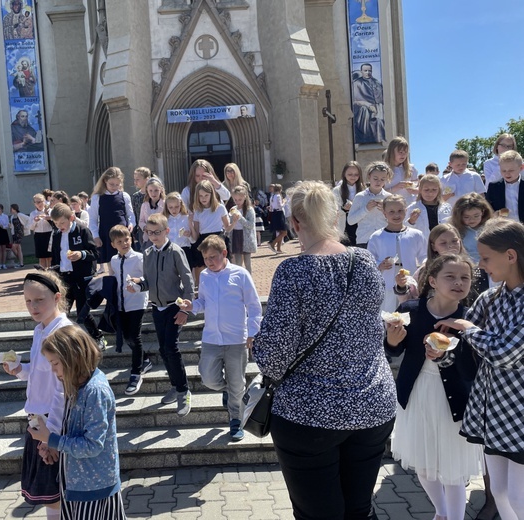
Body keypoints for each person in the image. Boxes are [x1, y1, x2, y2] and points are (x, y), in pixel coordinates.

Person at [252, 181, 396, 519]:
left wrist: (258, 344)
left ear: (296, 222)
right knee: (358, 509)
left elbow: (274, 358)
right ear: (332, 216)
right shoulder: (363, 261)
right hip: (371, 405)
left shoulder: (293, 271)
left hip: (309, 413)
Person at [435, 219, 524, 520]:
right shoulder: (490, 298)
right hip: (495, 413)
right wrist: (439, 352)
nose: (481, 265)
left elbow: (504, 353)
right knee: (499, 492)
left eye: (486, 258)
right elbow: (459, 345)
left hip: (520, 415)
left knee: (519, 497)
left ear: (510, 256)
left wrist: (469, 330)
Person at [386, 254, 482, 520]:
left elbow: (473, 367)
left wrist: (449, 352)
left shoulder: (471, 318)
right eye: (450, 276)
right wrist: (392, 341)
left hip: (455, 399)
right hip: (416, 394)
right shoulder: (411, 311)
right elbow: (394, 352)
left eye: (465, 277)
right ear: (432, 280)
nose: (458, 282)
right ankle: (441, 512)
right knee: (425, 466)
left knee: (453, 470)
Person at [28, 325, 126, 519]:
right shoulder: (77, 384)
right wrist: (52, 446)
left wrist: (53, 439)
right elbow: (74, 430)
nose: (52, 370)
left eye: (55, 363)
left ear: (73, 358)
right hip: (78, 484)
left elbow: (92, 445)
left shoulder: (95, 391)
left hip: (93, 489)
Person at [3, 271, 73, 519]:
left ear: (57, 298)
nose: (33, 307)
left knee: (55, 493)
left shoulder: (63, 333)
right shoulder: (40, 329)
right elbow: (40, 372)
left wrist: (50, 434)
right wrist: (21, 369)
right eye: (27, 301)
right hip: (37, 418)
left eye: (39, 300)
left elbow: (64, 389)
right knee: (49, 494)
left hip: (51, 420)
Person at [182, 235, 262, 441]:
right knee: (207, 377)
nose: (209, 262)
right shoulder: (206, 276)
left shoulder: (241, 274)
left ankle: (236, 420)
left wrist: (253, 332)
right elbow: (203, 302)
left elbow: (254, 306)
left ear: (224, 253)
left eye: (213, 257)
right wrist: (192, 306)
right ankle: (229, 390)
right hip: (211, 338)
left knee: (237, 383)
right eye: (206, 258)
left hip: (236, 339)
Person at [128, 213, 195, 417]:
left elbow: (188, 282)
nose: (153, 236)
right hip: (157, 307)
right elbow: (148, 282)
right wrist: (137, 287)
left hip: (175, 306)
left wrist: (185, 309)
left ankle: (183, 390)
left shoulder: (175, 252)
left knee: (170, 347)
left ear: (167, 231)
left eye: (157, 232)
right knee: (163, 349)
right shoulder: (147, 253)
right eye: (149, 232)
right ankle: (175, 385)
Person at [49, 203, 105, 350]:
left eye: (62, 222)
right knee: (62, 312)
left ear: (71, 218)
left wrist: (81, 254)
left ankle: (97, 336)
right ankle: (64, 342)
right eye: (56, 223)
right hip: (64, 279)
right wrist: (53, 271)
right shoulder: (56, 235)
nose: (60, 226)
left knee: (82, 312)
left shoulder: (82, 231)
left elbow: (95, 253)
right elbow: (56, 257)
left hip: (81, 278)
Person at [108, 225, 152, 395]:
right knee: (126, 336)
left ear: (131, 239)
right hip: (121, 303)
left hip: (137, 302)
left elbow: (148, 277)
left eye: (126, 239)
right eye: (120, 241)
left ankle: (136, 372)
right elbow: (114, 278)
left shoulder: (139, 258)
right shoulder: (114, 260)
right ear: (113, 244)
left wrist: (138, 280)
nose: (124, 243)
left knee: (135, 335)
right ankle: (145, 359)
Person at [368, 195, 427, 312]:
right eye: (391, 212)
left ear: (406, 211)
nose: (396, 215)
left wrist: (424, 264)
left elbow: (424, 255)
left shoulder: (416, 234)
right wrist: (380, 264)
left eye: (400, 211)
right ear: (384, 214)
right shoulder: (377, 237)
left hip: (410, 287)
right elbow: (369, 260)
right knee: (387, 317)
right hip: (387, 286)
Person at [394, 223, 465, 304]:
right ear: (434, 246)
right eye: (443, 243)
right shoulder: (424, 271)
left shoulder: (468, 269)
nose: (450, 246)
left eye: (454, 241)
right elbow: (410, 301)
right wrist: (402, 286)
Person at [88, 167, 136, 270]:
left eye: (117, 184)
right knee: (112, 267)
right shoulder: (97, 197)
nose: (115, 187)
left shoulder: (124, 196)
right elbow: (92, 219)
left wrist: (131, 224)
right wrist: (96, 236)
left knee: (128, 264)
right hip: (107, 235)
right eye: (111, 184)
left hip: (123, 234)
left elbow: (130, 214)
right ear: (105, 181)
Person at [190, 180, 232, 283]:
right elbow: (196, 234)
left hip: (219, 238)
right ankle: (201, 290)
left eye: (206, 195)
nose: (203, 198)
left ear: (211, 194)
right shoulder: (197, 211)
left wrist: (234, 221)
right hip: (203, 240)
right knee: (201, 266)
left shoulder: (220, 208)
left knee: (222, 265)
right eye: (201, 196)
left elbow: (227, 228)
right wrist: (189, 224)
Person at [452, 193, 494, 295]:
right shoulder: (456, 230)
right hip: (467, 270)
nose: (472, 220)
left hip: (490, 269)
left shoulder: (491, 227)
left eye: (476, 216)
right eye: (466, 217)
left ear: (483, 212)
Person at [347, 161, 392, 248]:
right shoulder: (360, 197)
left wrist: (385, 211)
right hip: (364, 240)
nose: (378, 182)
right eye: (375, 178)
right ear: (369, 177)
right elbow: (351, 221)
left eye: (382, 179)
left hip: (384, 239)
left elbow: (394, 220)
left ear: (387, 180)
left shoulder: (388, 197)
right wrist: (366, 209)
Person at [405, 174, 453, 240]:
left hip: (443, 244)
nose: (430, 193)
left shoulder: (447, 208)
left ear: (439, 190)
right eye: (426, 190)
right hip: (422, 245)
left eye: (434, 190)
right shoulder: (412, 207)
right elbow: (405, 229)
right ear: (420, 190)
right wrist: (411, 221)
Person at [485, 150, 524, 223]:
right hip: (503, 228)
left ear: (521, 168)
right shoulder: (494, 187)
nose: (507, 174)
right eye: (503, 170)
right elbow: (487, 209)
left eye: (511, 170)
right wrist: (494, 214)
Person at [332, 160, 365, 246]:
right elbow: (333, 209)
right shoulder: (337, 190)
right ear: (344, 174)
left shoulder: (363, 188)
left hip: (359, 222)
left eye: (356, 174)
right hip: (344, 223)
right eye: (350, 174)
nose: (353, 177)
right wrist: (344, 208)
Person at [352, 63, 385, 144]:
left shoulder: (377, 83)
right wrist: (367, 105)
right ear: (361, 71)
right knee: (364, 110)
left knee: (379, 121)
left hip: (377, 111)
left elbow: (380, 100)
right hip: (363, 112)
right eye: (365, 71)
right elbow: (354, 101)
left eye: (369, 71)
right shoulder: (357, 84)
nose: (368, 72)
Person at [228, 186, 256, 273]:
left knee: (247, 263)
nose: (237, 202)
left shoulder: (249, 209)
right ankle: (239, 281)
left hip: (246, 237)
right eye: (235, 199)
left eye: (240, 199)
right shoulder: (233, 209)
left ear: (244, 197)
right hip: (236, 235)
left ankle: (249, 281)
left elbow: (251, 225)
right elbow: (230, 224)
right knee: (238, 263)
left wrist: (240, 218)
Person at [384, 136, 419, 204]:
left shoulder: (411, 169)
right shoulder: (383, 169)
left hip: (408, 204)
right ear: (392, 152)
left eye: (405, 152)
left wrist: (414, 190)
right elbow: (378, 192)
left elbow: (419, 188)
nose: (403, 155)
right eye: (400, 152)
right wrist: (395, 187)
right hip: (391, 205)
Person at [163, 191, 193, 266]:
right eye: (171, 207)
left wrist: (189, 235)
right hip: (170, 250)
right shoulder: (164, 220)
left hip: (185, 250)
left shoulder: (186, 218)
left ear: (181, 205)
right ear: (166, 207)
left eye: (177, 207)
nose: (174, 210)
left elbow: (193, 240)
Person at [28, 193, 54, 270]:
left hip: (49, 234)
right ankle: (42, 274)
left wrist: (48, 217)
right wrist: (35, 221)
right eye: (37, 202)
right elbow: (31, 227)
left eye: (40, 201)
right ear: (34, 204)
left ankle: (50, 274)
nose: (39, 204)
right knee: (42, 257)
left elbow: (54, 223)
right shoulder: (33, 214)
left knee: (49, 257)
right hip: (39, 236)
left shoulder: (50, 211)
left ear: (44, 201)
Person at [138, 178, 165, 245]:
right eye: (150, 190)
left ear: (161, 190)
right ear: (147, 191)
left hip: (162, 237)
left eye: (156, 190)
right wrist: (145, 228)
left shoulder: (165, 204)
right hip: (148, 238)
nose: (153, 193)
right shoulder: (144, 205)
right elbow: (141, 221)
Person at [131, 167, 152, 250]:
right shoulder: (135, 196)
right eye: (134, 179)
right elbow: (134, 213)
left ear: (146, 179)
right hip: (141, 229)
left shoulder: (153, 194)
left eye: (138, 179)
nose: (135, 182)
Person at [266, 184, 287, 253]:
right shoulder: (278, 196)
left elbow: (271, 207)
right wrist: (284, 202)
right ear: (280, 189)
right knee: (284, 232)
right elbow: (280, 206)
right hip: (279, 213)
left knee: (280, 232)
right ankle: (272, 244)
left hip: (274, 214)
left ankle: (279, 248)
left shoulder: (272, 196)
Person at [9, 203, 28, 268]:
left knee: (13, 247)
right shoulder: (12, 216)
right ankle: (21, 263)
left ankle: (19, 260)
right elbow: (12, 225)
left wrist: (25, 226)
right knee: (18, 248)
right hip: (14, 233)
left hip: (19, 232)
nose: (10, 210)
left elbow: (28, 219)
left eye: (11, 208)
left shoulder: (19, 215)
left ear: (14, 208)